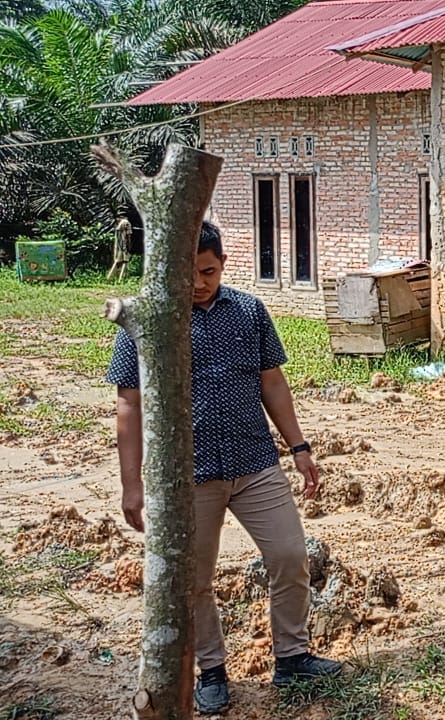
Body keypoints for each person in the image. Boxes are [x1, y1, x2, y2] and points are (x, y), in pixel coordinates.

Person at [106, 221, 342, 715]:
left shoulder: (249, 311)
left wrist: (298, 447)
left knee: (289, 555)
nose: (198, 282)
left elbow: (271, 382)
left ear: (223, 264)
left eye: (208, 271)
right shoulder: (148, 321)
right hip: (187, 478)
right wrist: (132, 485)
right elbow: (129, 405)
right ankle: (212, 670)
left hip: (255, 462)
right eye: (188, 273)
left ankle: (292, 656)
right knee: (195, 580)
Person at [106, 213, 132, 281]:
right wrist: (129, 245)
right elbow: (128, 236)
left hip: (118, 245)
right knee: (125, 261)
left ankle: (109, 277)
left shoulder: (118, 223)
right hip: (124, 244)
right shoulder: (127, 223)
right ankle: (121, 278)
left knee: (117, 261)